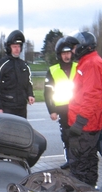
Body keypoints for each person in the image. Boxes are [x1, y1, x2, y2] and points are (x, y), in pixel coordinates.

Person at [66, 31, 102, 187]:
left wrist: (79, 123)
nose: (73, 51)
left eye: (74, 47)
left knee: (82, 162)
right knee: (87, 160)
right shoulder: (90, 61)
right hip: (88, 124)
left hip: (86, 126)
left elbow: (92, 97)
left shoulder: (91, 64)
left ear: (83, 46)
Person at [44, 37, 77, 170]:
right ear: (59, 55)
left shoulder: (78, 67)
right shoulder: (53, 70)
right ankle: (69, 161)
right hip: (62, 109)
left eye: (68, 53)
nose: (66, 56)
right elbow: (47, 93)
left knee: (79, 136)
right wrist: (52, 110)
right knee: (66, 136)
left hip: (77, 108)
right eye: (64, 53)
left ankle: (77, 161)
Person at [0, 30, 35, 119]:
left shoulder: (24, 65)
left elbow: (29, 83)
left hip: (22, 108)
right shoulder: (0, 65)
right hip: (7, 109)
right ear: (9, 48)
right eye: (14, 46)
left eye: (18, 46)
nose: (17, 49)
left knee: (22, 132)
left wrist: (30, 94)